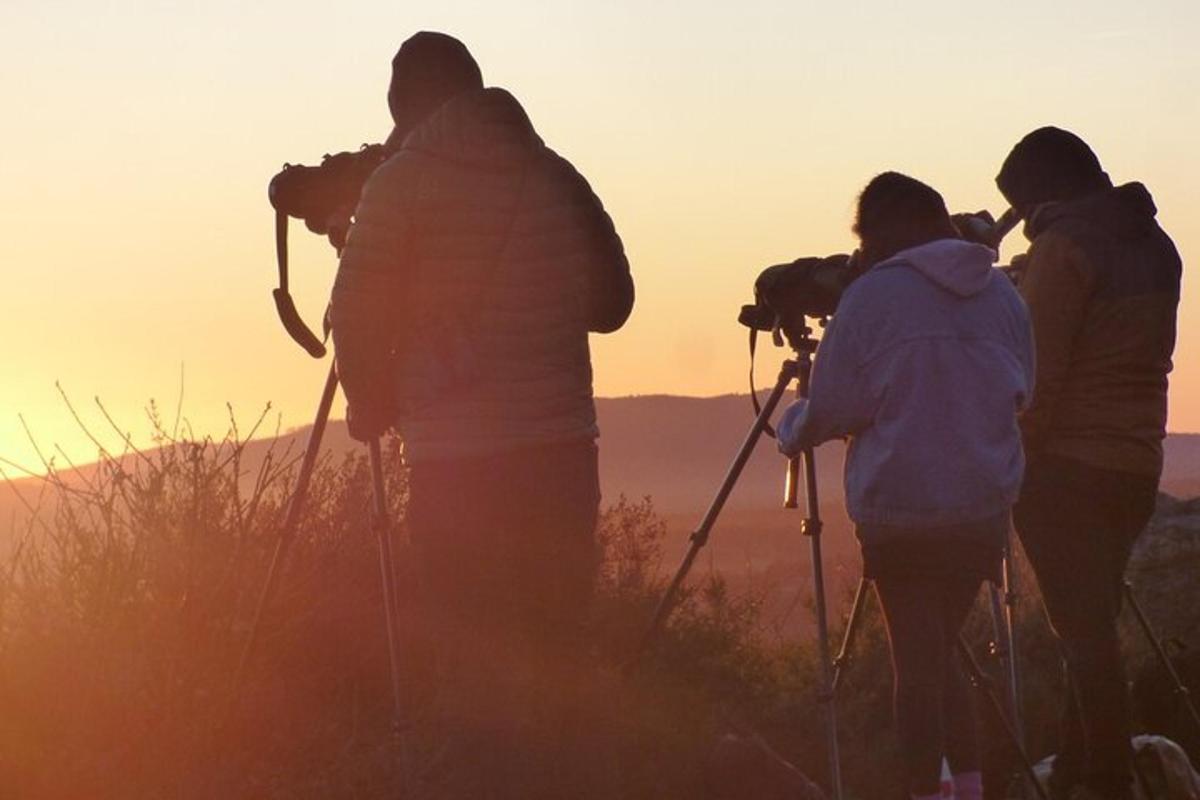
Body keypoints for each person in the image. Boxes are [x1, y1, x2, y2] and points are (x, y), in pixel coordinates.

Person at [328, 31, 634, 797]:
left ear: (405, 103)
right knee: (558, 647)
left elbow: (354, 315)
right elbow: (614, 304)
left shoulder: (400, 184)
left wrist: (372, 409)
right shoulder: (555, 172)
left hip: (456, 459)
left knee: (472, 660)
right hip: (562, 449)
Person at [776, 172, 1035, 800]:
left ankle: (925, 790)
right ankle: (965, 790)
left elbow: (836, 405)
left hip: (904, 505)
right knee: (937, 655)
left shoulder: (872, 298)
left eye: (865, 238)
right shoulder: (1000, 294)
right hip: (980, 503)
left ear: (883, 231)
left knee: (916, 665)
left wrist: (791, 428)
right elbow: (1023, 387)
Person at [996, 127, 1181, 800]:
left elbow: (1034, 374)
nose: (1026, 231)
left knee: (1083, 634)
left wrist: (1008, 460)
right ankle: (1082, 768)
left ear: (1045, 192)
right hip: (1135, 465)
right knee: (1092, 623)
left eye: (1026, 212)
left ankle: (1107, 778)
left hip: (1064, 466)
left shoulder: (1062, 247)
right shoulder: (1157, 245)